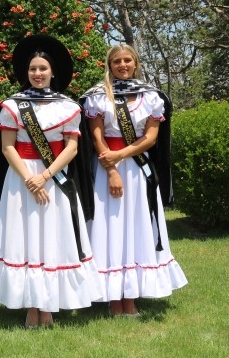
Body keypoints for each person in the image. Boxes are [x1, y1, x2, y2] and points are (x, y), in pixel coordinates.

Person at [0, 34, 102, 329]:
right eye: (33, 69)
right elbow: (7, 146)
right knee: (23, 239)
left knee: (52, 237)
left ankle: (48, 306)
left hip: (55, 178)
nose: (38, 74)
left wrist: (45, 176)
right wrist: (29, 178)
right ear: (26, 73)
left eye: (43, 69)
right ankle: (30, 306)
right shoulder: (12, 106)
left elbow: (72, 148)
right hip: (20, 180)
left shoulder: (68, 107)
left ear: (53, 72)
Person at [80, 44, 187, 316]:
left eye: (128, 60)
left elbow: (151, 138)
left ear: (136, 63)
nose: (123, 65)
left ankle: (132, 293)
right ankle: (114, 297)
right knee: (110, 226)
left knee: (136, 225)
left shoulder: (150, 96)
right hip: (106, 169)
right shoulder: (97, 96)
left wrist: (120, 154)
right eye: (117, 61)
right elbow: (96, 137)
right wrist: (112, 167)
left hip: (139, 170)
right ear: (110, 65)